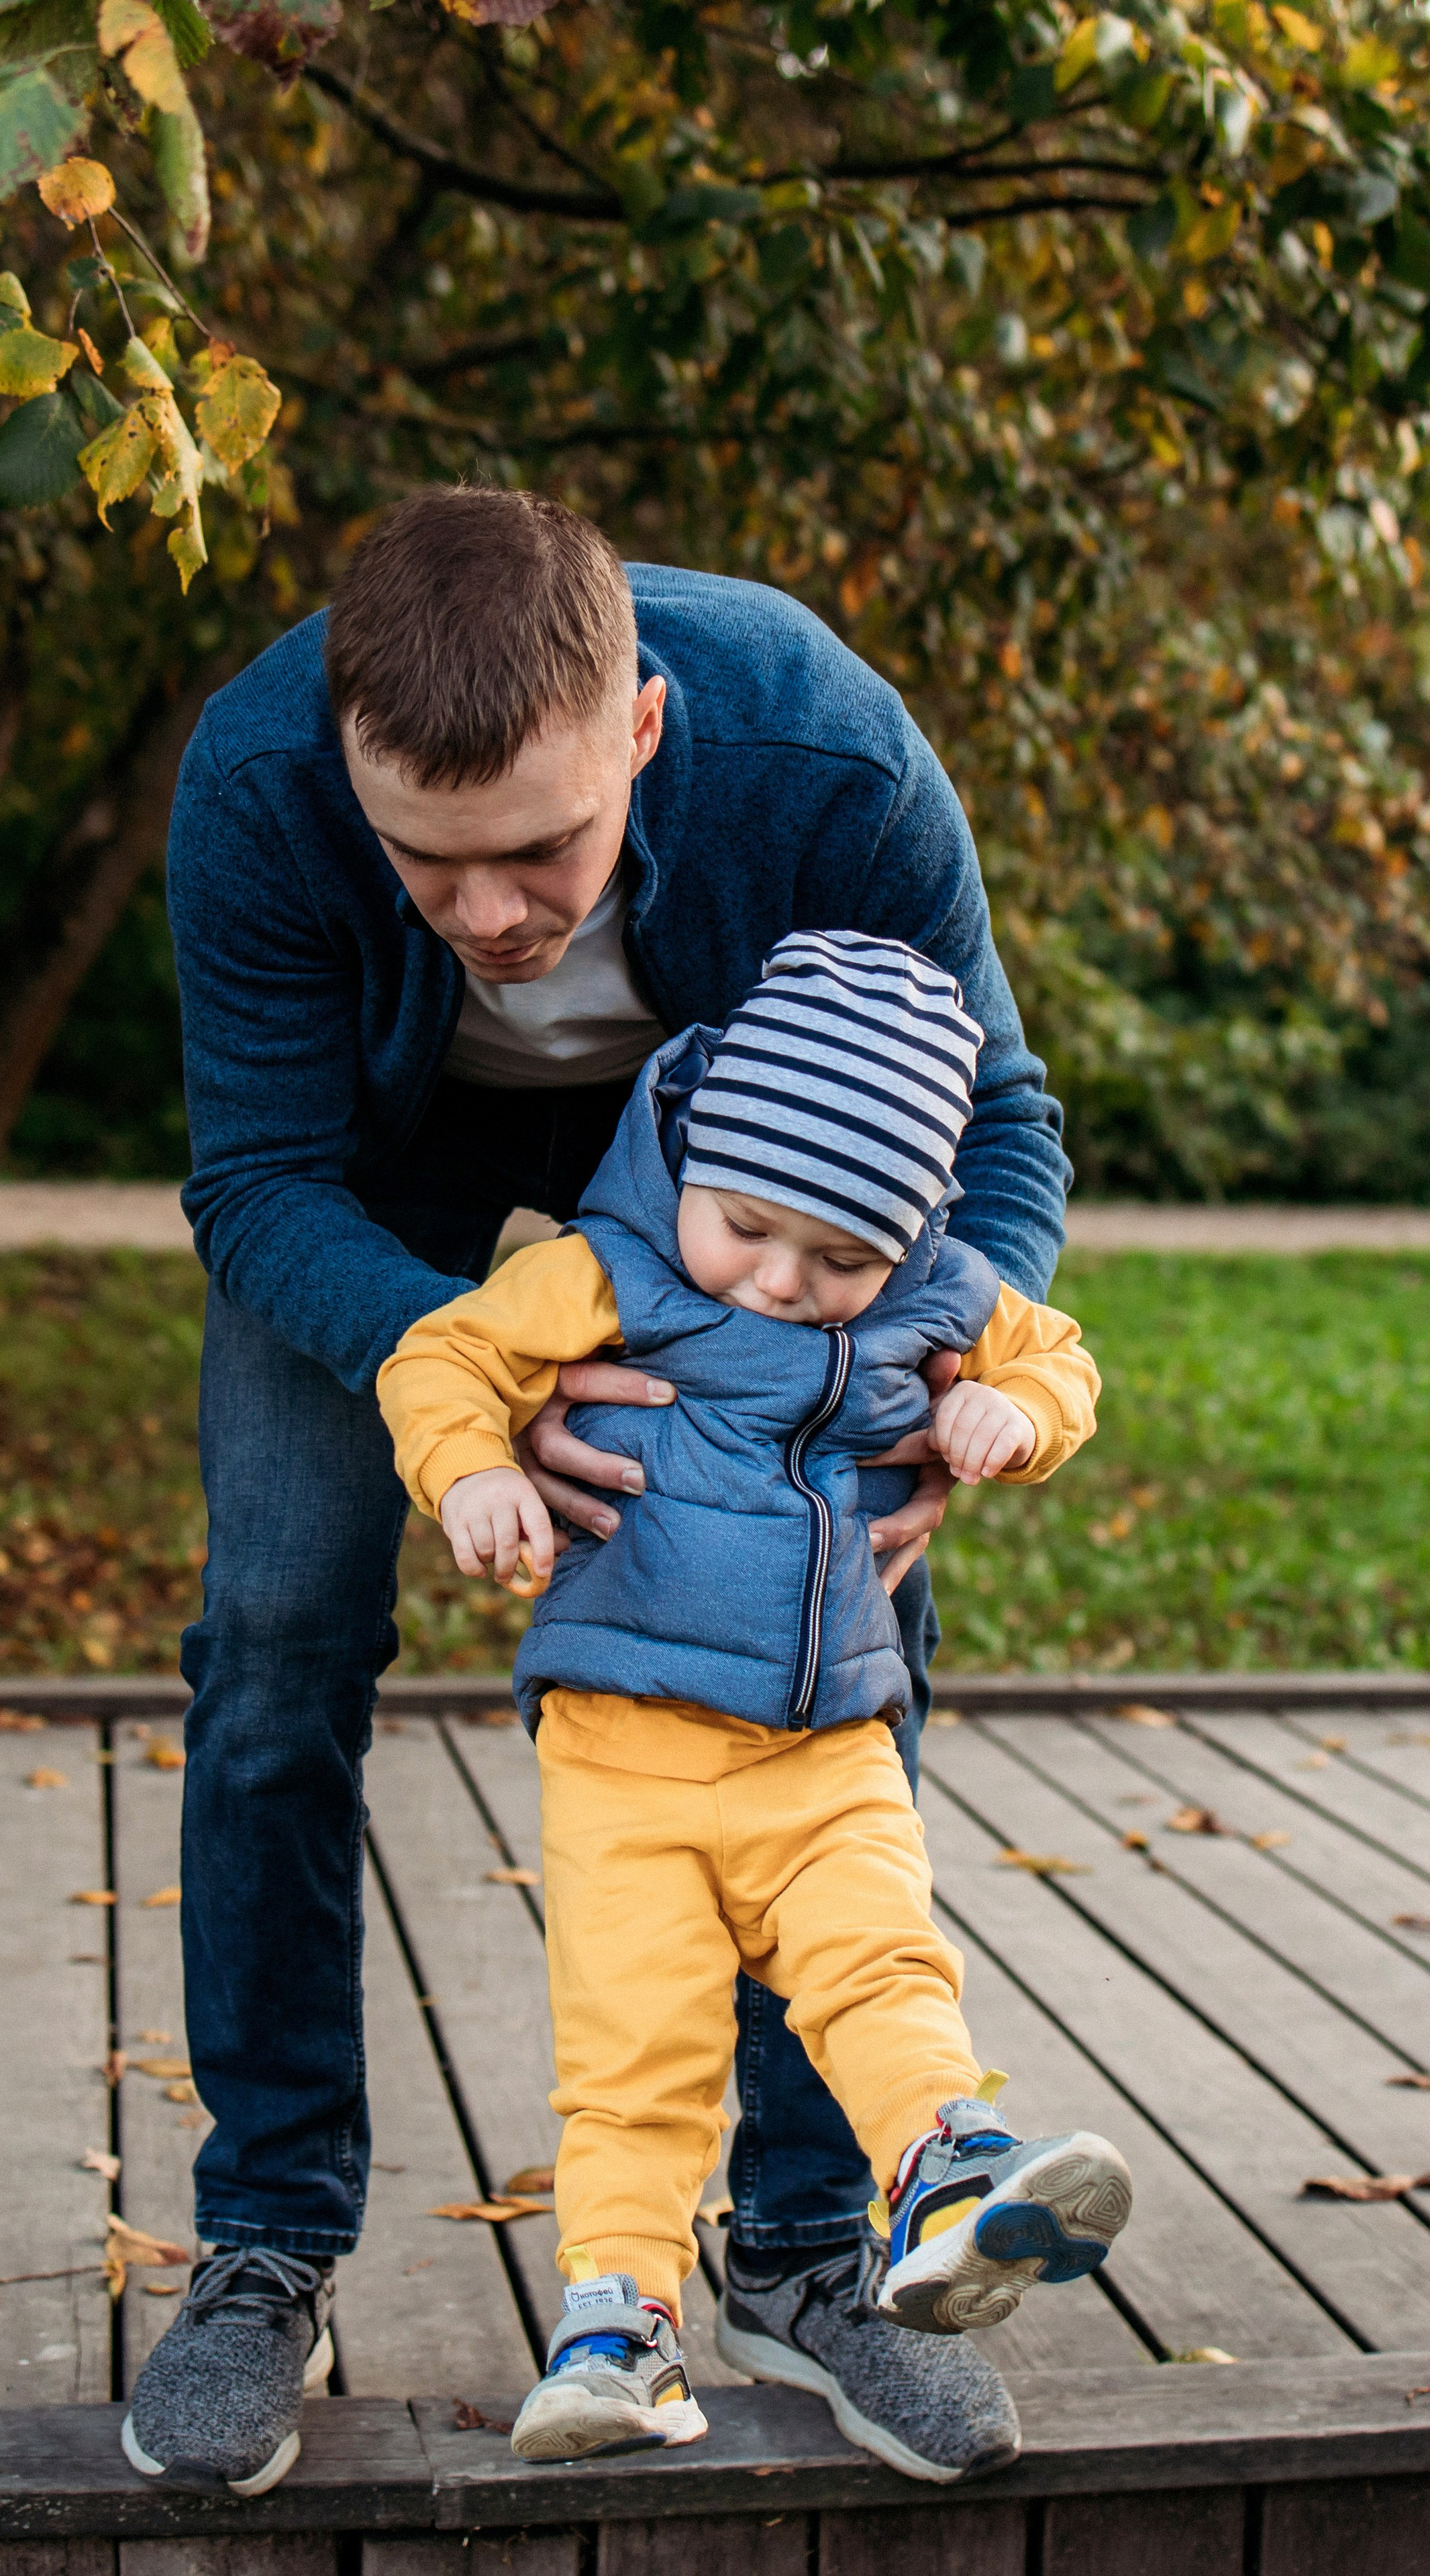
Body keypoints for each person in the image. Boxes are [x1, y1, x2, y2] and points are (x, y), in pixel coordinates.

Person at [123, 486, 1073, 2500]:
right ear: (350, 771)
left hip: (756, 1196)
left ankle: (807, 2247)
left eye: (541, 850)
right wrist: (474, 1378)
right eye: (427, 860)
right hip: (379, 1188)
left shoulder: (821, 752)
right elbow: (259, 1181)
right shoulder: (260, 782)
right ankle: (267, 2238)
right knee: (278, 1623)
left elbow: (993, 1121)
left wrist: (935, 1386)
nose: (486, 914)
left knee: (849, 1612)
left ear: (641, 728)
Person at [376, 929, 1129, 2465]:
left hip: (826, 1744)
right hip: (622, 1749)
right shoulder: (604, 1273)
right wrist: (468, 1475)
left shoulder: (935, 1293)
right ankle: (620, 2330)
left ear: (906, 1235)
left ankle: (943, 2172)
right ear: (692, 1163)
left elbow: (1058, 1359)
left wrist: (1010, 1410)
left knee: (877, 1966)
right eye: (746, 1228)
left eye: (840, 1260)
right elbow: (438, 1359)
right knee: (633, 2055)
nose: (782, 1282)